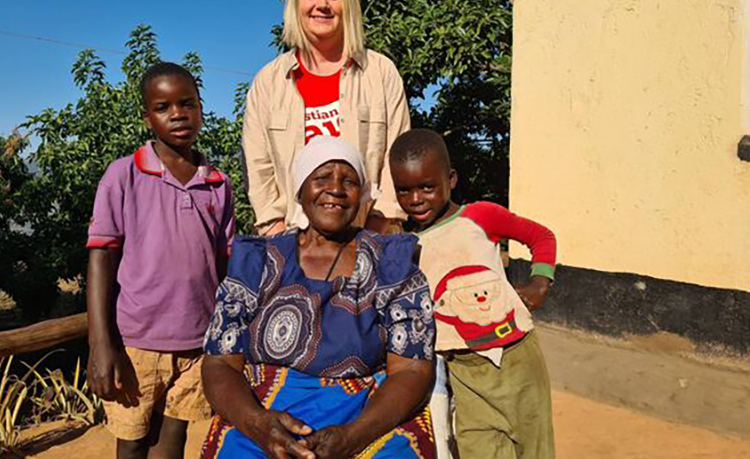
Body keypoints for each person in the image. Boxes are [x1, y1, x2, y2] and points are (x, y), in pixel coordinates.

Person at [200, 137, 436, 458]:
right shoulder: (258, 261)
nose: (336, 189)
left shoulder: (390, 263)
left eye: (349, 181)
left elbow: (412, 369)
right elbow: (220, 362)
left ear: (361, 194)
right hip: (265, 413)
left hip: (365, 414)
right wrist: (257, 424)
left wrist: (354, 437)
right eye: (321, 177)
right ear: (300, 190)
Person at [86, 62, 235, 459]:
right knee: (133, 441)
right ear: (147, 116)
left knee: (172, 441)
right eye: (164, 107)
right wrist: (101, 343)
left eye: (187, 103)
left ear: (201, 108)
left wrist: (225, 334)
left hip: (196, 341)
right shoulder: (123, 176)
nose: (178, 115)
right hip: (136, 341)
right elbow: (101, 255)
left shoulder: (217, 183)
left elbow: (224, 265)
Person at [389, 129, 558, 459]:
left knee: (535, 448)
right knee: (476, 448)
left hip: (517, 359)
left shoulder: (480, 216)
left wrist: (540, 283)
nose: (415, 199)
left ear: (450, 179)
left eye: (427, 186)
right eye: (404, 190)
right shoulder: (407, 245)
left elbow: (541, 237)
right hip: (463, 372)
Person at [243, 0, 410, 236]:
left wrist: (373, 237)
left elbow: (395, 159)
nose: (322, 4)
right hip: (293, 245)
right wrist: (278, 237)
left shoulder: (380, 73)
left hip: (370, 238)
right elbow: (259, 171)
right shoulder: (268, 83)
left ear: (349, 5)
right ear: (296, 4)